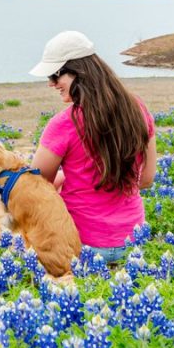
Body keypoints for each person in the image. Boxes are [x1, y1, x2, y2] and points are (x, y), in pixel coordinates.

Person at [28, 30, 157, 265]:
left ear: (79, 72)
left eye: (55, 76)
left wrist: (61, 180)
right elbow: (146, 179)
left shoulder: (64, 124)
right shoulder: (138, 109)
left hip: (81, 246)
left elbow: (34, 185)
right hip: (133, 244)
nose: (51, 84)